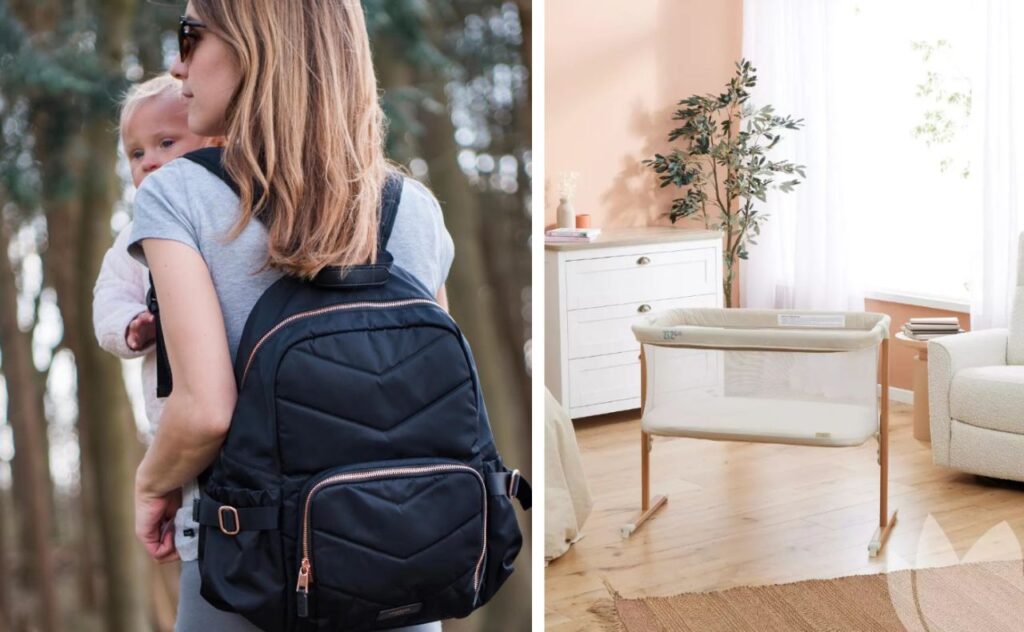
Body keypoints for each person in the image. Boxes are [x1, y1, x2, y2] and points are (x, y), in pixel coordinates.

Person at [127, 2, 453, 630]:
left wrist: (152, 484)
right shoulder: (412, 206)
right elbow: (433, 402)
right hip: (409, 561)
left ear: (256, 44)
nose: (177, 63)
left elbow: (204, 410)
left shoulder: (178, 195)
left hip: (249, 564)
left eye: (191, 36)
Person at [93, 73, 222, 435]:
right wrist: (131, 325)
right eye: (136, 153)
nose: (148, 161)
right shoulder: (134, 238)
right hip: (171, 415)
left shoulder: (229, 214)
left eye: (165, 143)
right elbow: (110, 293)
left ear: (213, 140)